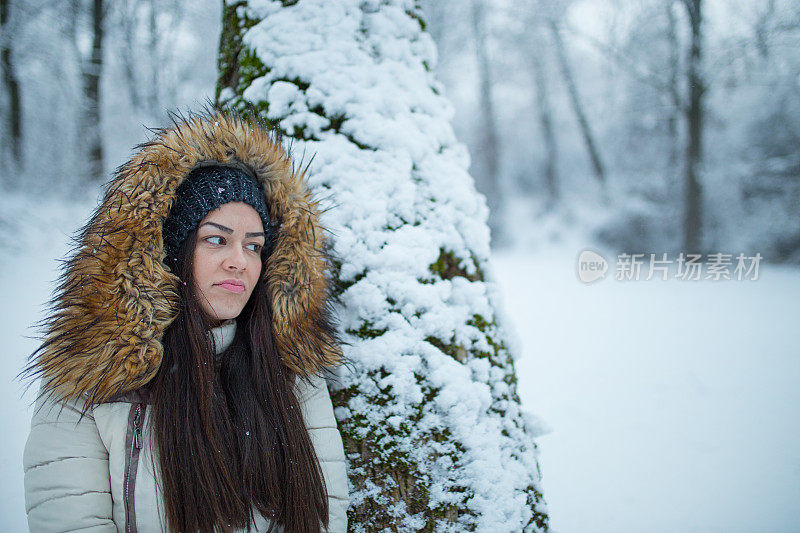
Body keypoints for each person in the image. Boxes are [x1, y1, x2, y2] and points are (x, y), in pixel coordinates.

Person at [20, 109, 349, 532]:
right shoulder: (89, 381)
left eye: (254, 246)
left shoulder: (292, 376)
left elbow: (325, 518)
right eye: (217, 240)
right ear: (172, 252)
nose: (239, 262)